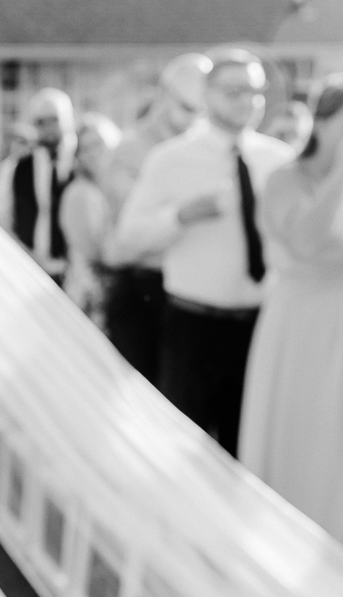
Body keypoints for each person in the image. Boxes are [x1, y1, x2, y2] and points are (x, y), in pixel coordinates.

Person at [238, 76, 343, 574]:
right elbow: (305, 244)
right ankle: (287, 550)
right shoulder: (284, 178)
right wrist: (339, 174)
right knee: (309, 432)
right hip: (307, 325)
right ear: (323, 123)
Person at [115, 49, 292, 453]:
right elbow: (127, 240)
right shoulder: (170, 159)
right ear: (208, 95)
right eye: (234, 91)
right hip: (194, 330)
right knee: (182, 452)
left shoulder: (279, 161)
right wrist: (181, 216)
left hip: (261, 328)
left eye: (255, 92)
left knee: (248, 448)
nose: (247, 101)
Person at [100, 54, 211, 381]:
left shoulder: (201, 151)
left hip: (188, 293)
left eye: (202, 112)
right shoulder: (130, 151)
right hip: (144, 291)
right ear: (163, 94)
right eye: (187, 109)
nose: (195, 120)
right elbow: (133, 230)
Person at [0, 88, 76, 280]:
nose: (48, 127)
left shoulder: (80, 161)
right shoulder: (15, 167)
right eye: (41, 122)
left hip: (75, 273)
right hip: (30, 271)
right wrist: (22, 255)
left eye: (54, 119)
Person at [60, 113, 120, 328]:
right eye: (85, 149)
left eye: (98, 144)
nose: (93, 153)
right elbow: (94, 253)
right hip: (91, 299)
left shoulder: (112, 188)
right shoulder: (79, 194)